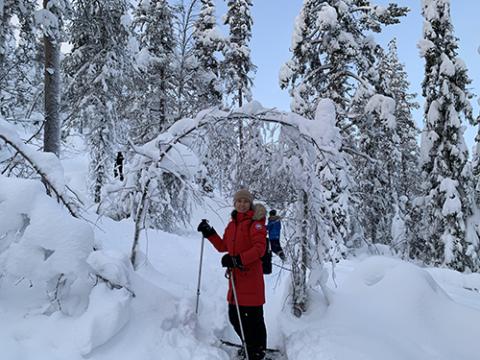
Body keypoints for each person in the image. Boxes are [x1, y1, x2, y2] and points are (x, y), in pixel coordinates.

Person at [197, 189, 267, 360]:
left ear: (250, 204)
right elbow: (224, 247)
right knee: (235, 317)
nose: (242, 204)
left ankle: (257, 351)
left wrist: (238, 260)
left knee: (254, 321)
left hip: (251, 280)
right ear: (234, 203)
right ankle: (249, 345)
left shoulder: (255, 223)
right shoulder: (232, 225)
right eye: (239, 201)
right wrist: (210, 233)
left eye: (245, 201)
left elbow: (260, 249)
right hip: (236, 282)